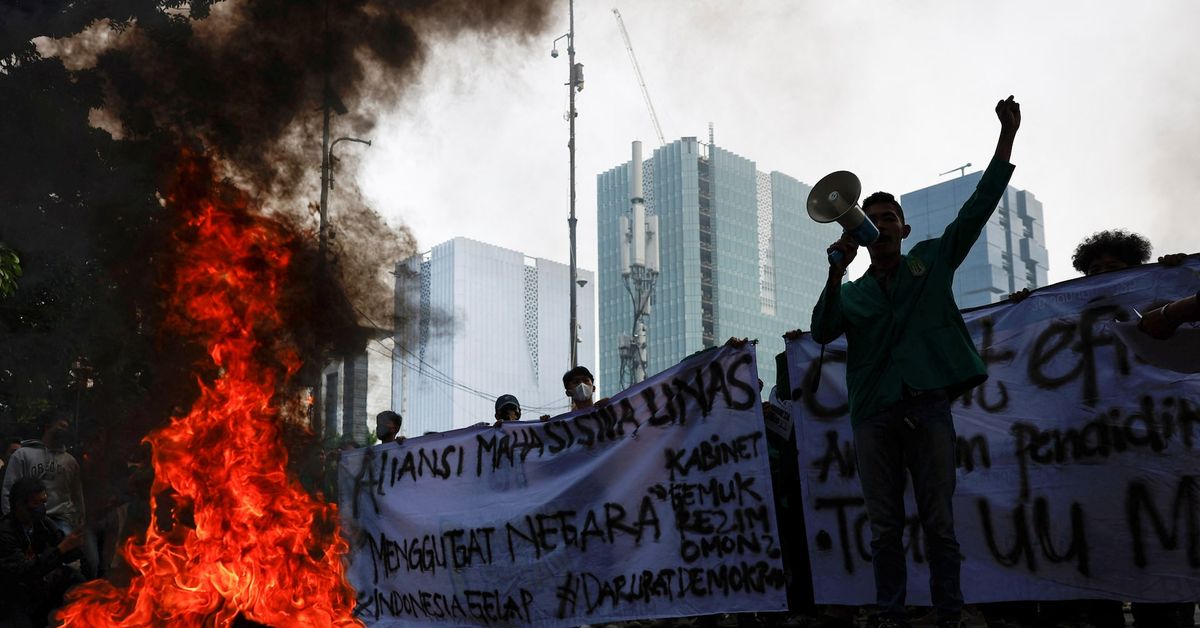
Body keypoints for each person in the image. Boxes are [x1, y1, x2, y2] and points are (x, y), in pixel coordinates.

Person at [810, 96, 1021, 628]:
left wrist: (1006, 139)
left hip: (926, 405)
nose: (879, 225)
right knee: (884, 525)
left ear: (903, 231)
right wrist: (836, 272)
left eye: (887, 219)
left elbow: (977, 208)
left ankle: (947, 612)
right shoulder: (853, 293)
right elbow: (821, 330)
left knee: (938, 520)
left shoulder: (929, 261)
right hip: (874, 413)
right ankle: (891, 613)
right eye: (870, 219)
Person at [0, 477, 85, 627]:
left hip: (39, 589)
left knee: (76, 580)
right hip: (14, 596)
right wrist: (60, 550)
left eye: (43, 502)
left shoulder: (43, 523)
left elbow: (64, 550)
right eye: (36, 503)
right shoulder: (5, 532)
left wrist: (77, 543)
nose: (41, 508)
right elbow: (25, 571)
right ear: (20, 505)